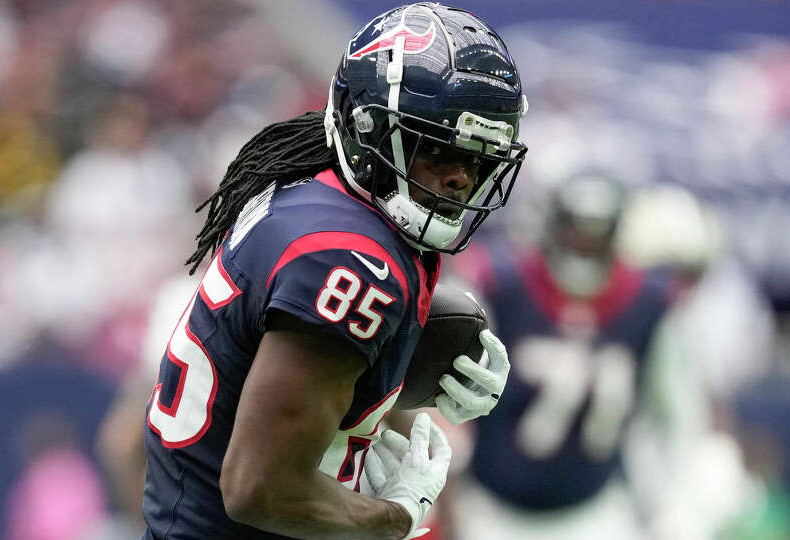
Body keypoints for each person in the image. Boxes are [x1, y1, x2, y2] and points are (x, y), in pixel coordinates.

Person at [141, 3, 527, 539]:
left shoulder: (316, 187)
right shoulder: (351, 263)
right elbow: (260, 488)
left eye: (479, 157)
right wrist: (399, 515)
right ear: (366, 127)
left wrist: (410, 372)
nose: (461, 177)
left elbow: (283, 368)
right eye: (437, 148)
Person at [445, 173, 678, 540]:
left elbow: (674, 412)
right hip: (493, 505)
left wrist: (662, 501)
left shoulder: (647, 303)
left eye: (595, 237)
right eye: (576, 231)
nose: (584, 246)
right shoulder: (501, 286)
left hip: (596, 507)